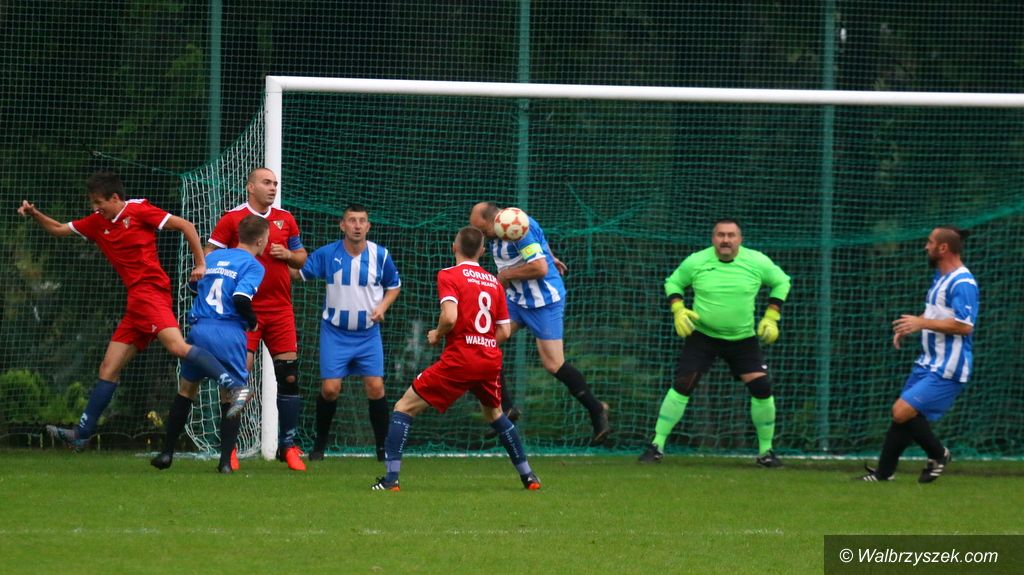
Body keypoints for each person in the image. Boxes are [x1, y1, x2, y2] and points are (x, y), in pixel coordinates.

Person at [18, 171, 241, 451]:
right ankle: (82, 434)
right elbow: (59, 229)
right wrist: (35, 213)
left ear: (115, 198)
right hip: (136, 301)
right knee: (108, 368)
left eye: (98, 202)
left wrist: (200, 264)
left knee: (176, 346)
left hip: (151, 291)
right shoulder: (97, 222)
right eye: (92, 202)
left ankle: (233, 384)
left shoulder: (138, 211)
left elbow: (186, 225)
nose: (95, 207)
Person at [372, 226, 540, 491]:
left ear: (454, 247)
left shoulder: (449, 275)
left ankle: (391, 479)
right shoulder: (494, 282)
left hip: (461, 359)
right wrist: (482, 343)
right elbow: (505, 331)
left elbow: (450, 317)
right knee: (495, 414)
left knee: (403, 407)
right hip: (489, 360)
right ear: (482, 251)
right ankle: (528, 476)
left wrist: (437, 334)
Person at [639, 218, 791, 467]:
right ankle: (656, 446)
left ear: (740, 239)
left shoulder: (757, 261)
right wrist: (678, 309)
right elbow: (673, 282)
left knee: (762, 387)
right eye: (721, 235)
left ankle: (766, 452)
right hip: (703, 337)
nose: (726, 240)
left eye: (731, 235)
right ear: (713, 239)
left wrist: (771, 317)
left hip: (742, 338)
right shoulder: (697, 261)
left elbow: (782, 281)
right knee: (683, 384)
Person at [469, 202, 610, 446]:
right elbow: (540, 245)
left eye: (483, 230)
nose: (481, 235)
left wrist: (505, 275)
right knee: (483, 343)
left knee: (553, 364)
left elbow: (539, 267)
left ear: (494, 222)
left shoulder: (516, 228)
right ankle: (507, 410)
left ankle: (597, 409)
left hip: (544, 302)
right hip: (517, 301)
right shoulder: (505, 226)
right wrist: (551, 255)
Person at [150, 215, 269, 473]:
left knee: (186, 390)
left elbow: (195, 287)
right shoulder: (254, 265)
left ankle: (167, 452)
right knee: (233, 396)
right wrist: (252, 321)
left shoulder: (212, 257)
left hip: (200, 329)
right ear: (261, 240)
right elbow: (241, 298)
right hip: (228, 332)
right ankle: (225, 461)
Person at [207, 167, 308, 471]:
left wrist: (287, 255)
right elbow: (210, 255)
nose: (273, 187)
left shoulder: (285, 219)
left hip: (280, 310)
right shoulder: (232, 219)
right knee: (237, 378)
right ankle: (230, 448)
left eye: (275, 183)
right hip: (243, 311)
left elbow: (301, 257)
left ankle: (287, 446)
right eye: (266, 182)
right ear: (251, 187)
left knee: (289, 376)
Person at [859, 226, 977, 483]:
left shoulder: (963, 282)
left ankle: (939, 454)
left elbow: (964, 325)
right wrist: (911, 325)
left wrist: (921, 323)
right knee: (904, 415)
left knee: (901, 410)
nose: (926, 246)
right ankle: (883, 474)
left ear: (943, 248)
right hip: (929, 361)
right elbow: (936, 314)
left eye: (930, 242)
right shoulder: (941, 277)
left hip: (950, 366)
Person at [297, 204, 401, 462]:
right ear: (342, 225)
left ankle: (382, 449)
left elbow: (394, 286)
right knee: (330, 389)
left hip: (368, 334)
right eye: (352, 220)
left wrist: (382, 307)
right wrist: (271, 261)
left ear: (368, 226)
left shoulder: (380, 255)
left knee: (375, 387)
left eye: (362, 221)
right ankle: (319, 445)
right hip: (335, 332)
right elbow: (298, 273)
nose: (357, 225)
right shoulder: (327, 254)